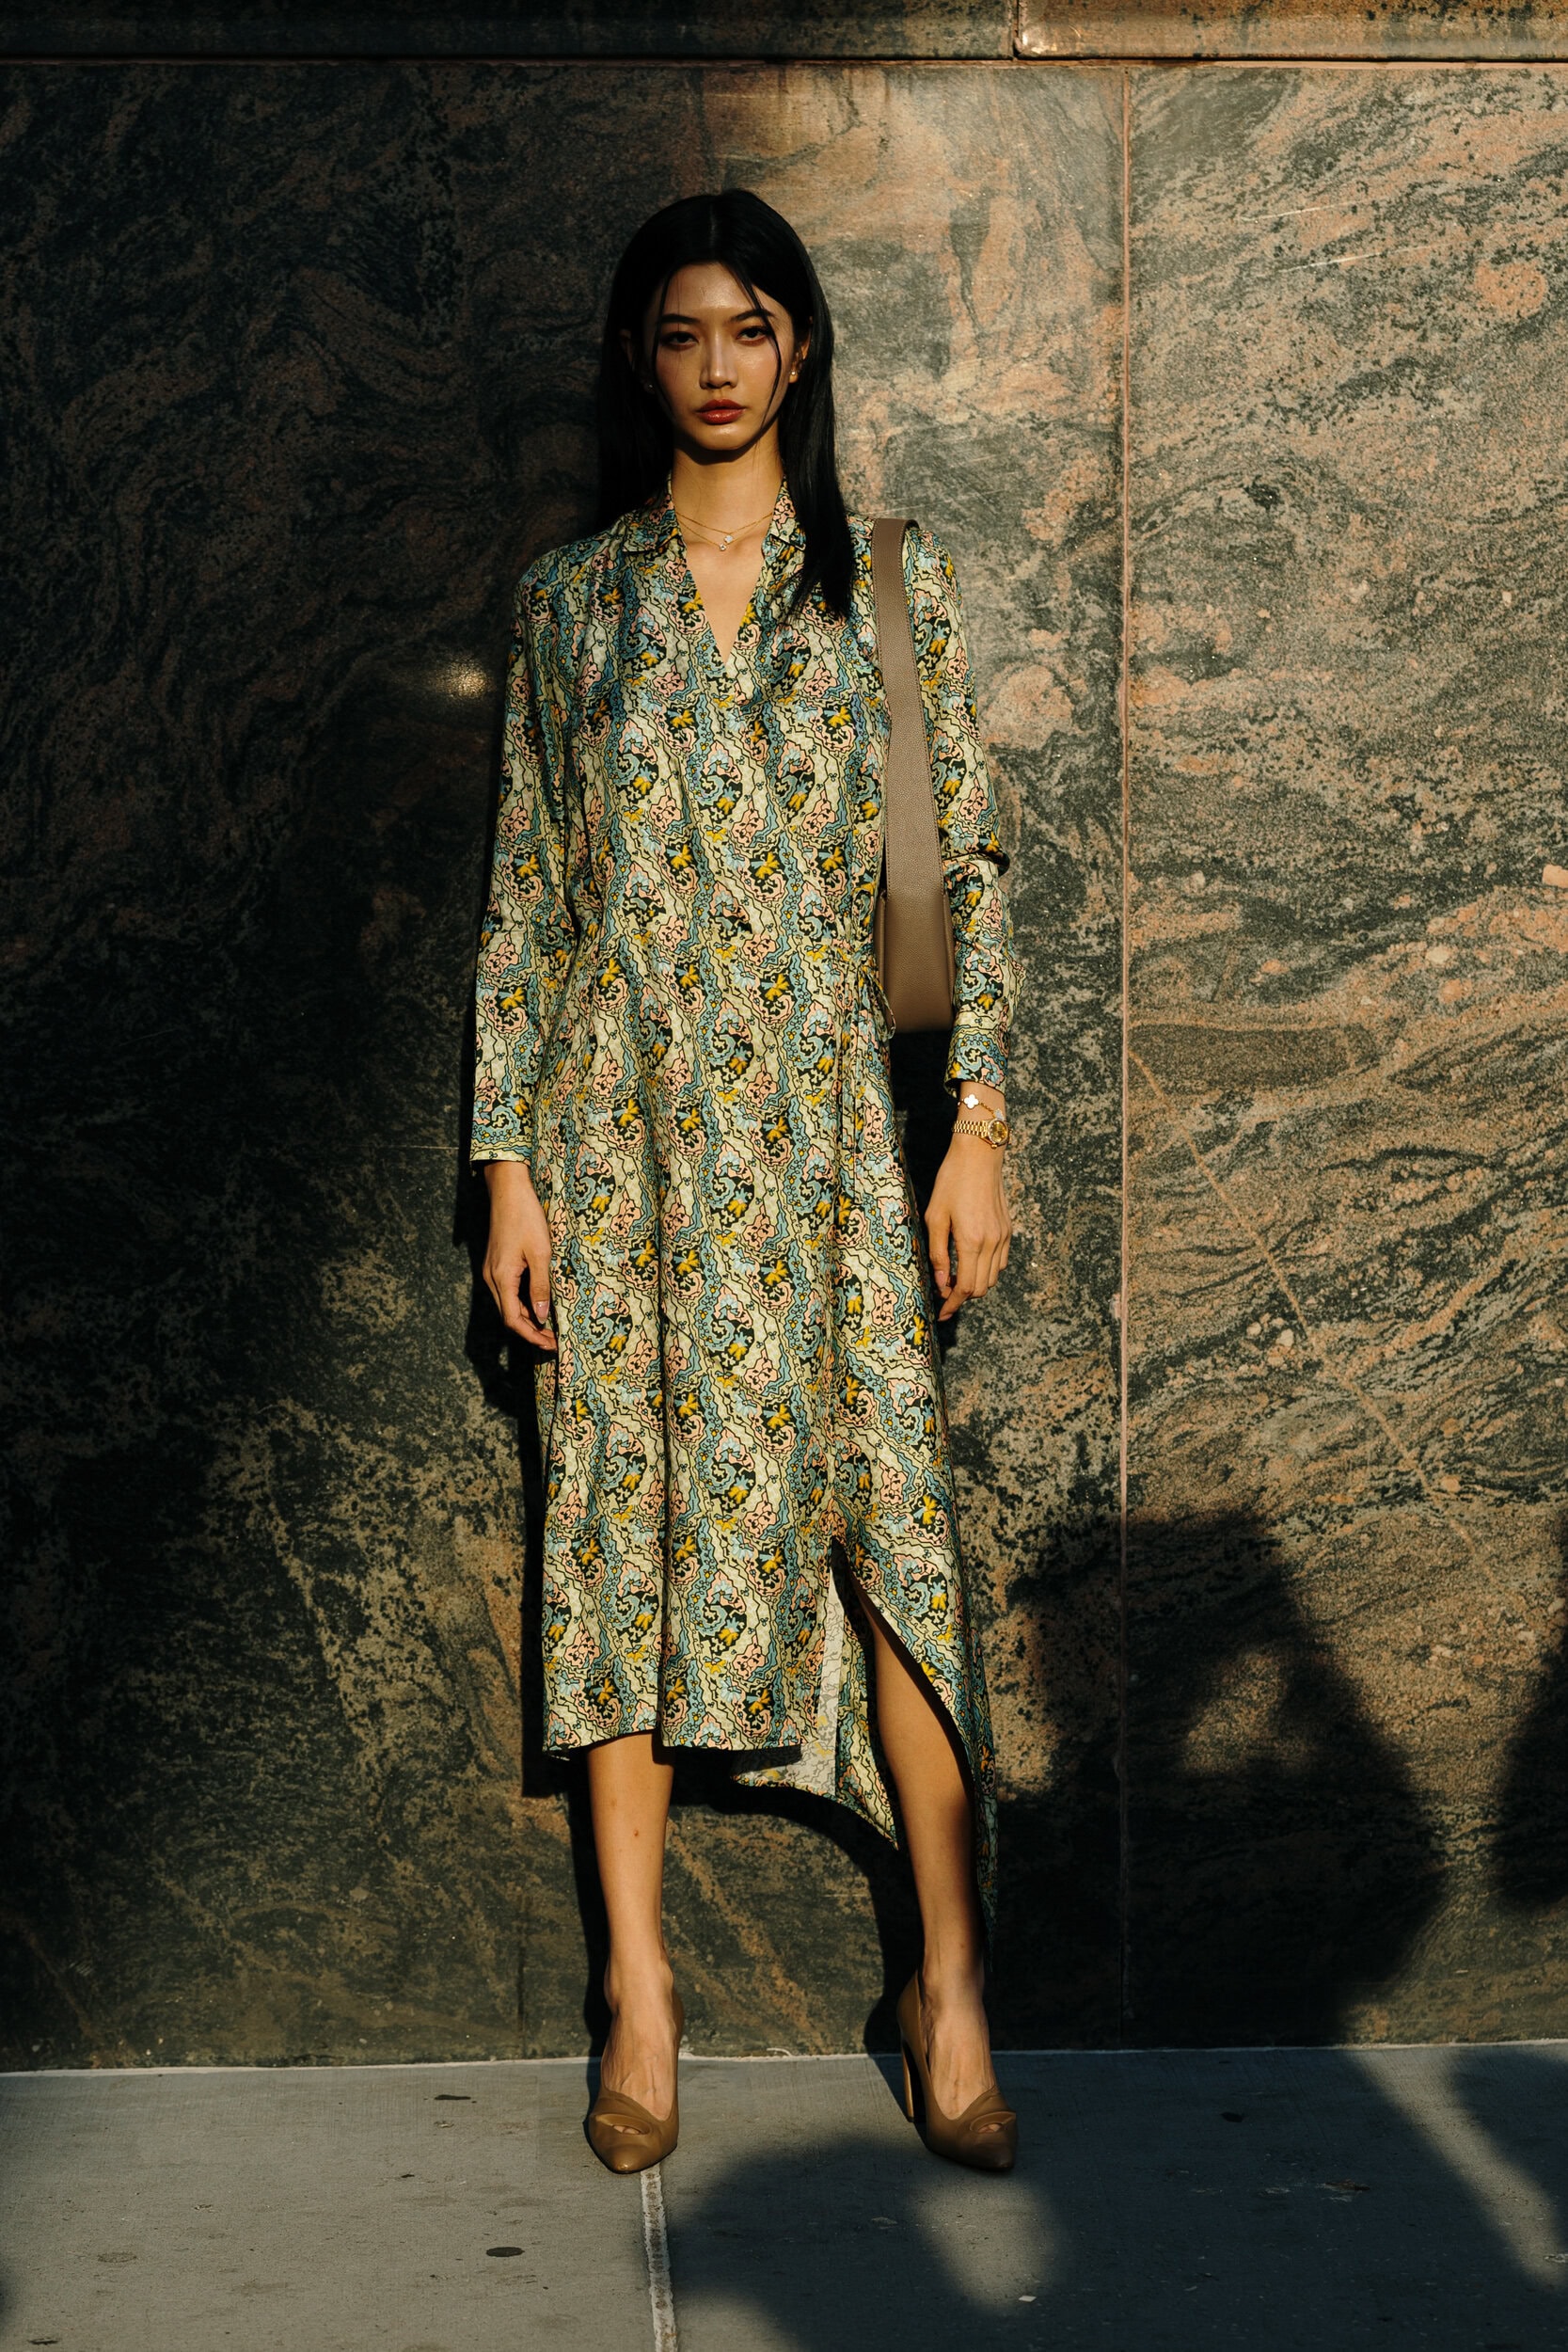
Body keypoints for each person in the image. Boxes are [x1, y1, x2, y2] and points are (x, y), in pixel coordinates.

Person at [471, 190, 1021, 2176]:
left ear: (803, 349)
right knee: (612, 1524)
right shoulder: (573, 604)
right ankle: (640, 1989)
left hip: (827, 1147)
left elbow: (967, 869)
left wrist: (979, 1124)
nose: (719, 365)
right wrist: (510, 1161)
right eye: (684, 330)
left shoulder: (885, 587)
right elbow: (531, 896)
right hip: (616, 1144)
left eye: (754, 326)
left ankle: (949, 1985)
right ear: (641, 355)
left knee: (897, 1537)